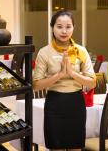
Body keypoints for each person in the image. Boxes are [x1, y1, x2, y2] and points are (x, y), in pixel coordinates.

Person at [33, 10, 96, 151]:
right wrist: (59, 75)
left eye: (68, 26)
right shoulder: (44, 52)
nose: (64, 31)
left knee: (75, 147)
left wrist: (72, 73)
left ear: (73, 27)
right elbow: (36, 85)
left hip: (76, 104)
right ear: (52, 28)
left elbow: (92, 82)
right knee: (56, 147)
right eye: (59, 26)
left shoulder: (81, 51)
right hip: (54, 104)